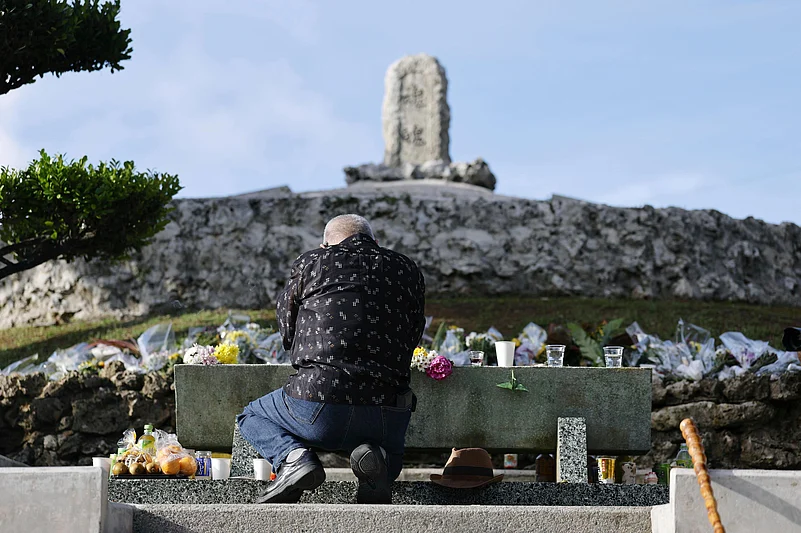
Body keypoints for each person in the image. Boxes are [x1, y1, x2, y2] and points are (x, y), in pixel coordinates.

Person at [237, 214, 426, 504]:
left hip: (319, 401)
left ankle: (295, 458)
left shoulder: (311, 262)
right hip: (387, 411)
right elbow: (414, 333)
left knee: (251, 415)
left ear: (326, 244)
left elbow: (287, 329)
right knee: (389, 460)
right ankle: (378, 458)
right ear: (375, 242)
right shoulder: (407, 269)